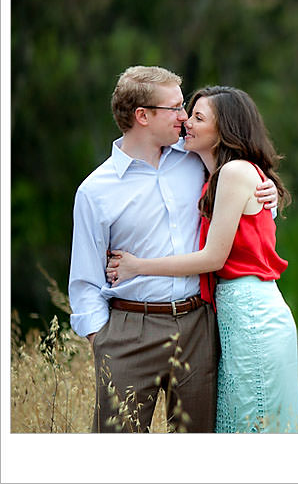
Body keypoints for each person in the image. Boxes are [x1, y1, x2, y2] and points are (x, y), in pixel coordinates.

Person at [68, 66, 278, 433]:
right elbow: (84, 280)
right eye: (176, 108)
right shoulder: (95, 191)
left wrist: (270, 197)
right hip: (130, 330)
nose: (184, 117)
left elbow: (244, 194)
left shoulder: (196, 158)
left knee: (198, 450)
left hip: (198, 326)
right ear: (143, 116)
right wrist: (103, 340)